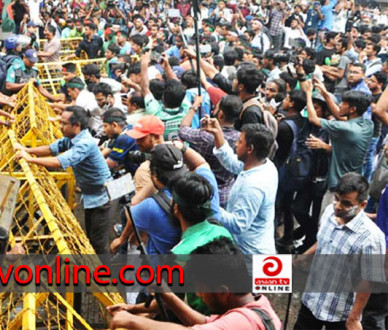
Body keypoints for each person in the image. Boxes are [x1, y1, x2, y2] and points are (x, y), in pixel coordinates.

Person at [109, 238, 282, 330]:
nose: (198, 294)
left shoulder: (242, 322)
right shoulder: (257, 304)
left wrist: (131, 322)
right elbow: (204, 322)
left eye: (201, 289)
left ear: (223, 291)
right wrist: (167, 295)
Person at [14, 106, 112, 253]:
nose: (60, 126)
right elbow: (51, 149)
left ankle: (103, 273)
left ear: (76, 125)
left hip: (103, 196)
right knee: (91, 236)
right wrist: (26, 150)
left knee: (98, 242)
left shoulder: (85, 143)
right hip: (91, 194)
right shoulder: (71, 138)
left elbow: (58, 161)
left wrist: (29, 159)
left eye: (64, 123)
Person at [295, 173, 385, 330]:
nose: (338, 206)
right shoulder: (330, 212)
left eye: (346, 203)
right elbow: (324, 240)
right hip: (312, 298)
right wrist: (306, 255)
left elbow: (369, 280)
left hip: (340, 312)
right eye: (336, 198)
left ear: (362, 205)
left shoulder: (372, 238)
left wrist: (354, 317)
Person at [204, 120, 278, 255]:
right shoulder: (264, 165)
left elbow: (238, 224)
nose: (235, 144)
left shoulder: (254, 185)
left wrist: (210, 205)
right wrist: (217, 133)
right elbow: (232, 162)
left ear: (250, 149)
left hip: (252, 255)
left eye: (240, 141)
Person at [302, 78, 373, 210]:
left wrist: (308, 94)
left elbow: (313, 119)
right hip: (353, 181)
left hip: (338, 185)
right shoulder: (367, 124)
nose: (340, 105)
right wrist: (324, 93)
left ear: (352, 109)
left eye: (343, 103)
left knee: (327, 220)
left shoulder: (346, 129)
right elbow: (341, 116)